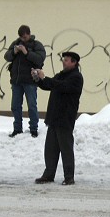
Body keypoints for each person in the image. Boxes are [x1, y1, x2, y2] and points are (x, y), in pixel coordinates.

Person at [32, 52, 83, 185]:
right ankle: (49, 174)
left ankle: (69, 177)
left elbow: (61, 86)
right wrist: (38, 79)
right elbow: (49, 85)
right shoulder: (61, 75)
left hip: (65, 118)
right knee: (50, 149)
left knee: (66, 149)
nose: (63, 62)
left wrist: (46, 78)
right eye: (63, 60)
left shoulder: (76, 77)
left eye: (66, 60)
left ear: (74, 62)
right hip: (54, 117)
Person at [4, 25, 46, 138]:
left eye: (25, 37)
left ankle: (33, 129)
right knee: (15, 106)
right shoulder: (16, 43)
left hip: (30, 81)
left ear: (29, 34)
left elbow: (40, 58)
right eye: (22, 37)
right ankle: (17, 129)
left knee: (32, 105)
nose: (23, 39)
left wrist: (26, 52)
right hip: (16, 81)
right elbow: (6, 57)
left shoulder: (36, 45)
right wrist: (14, 51)